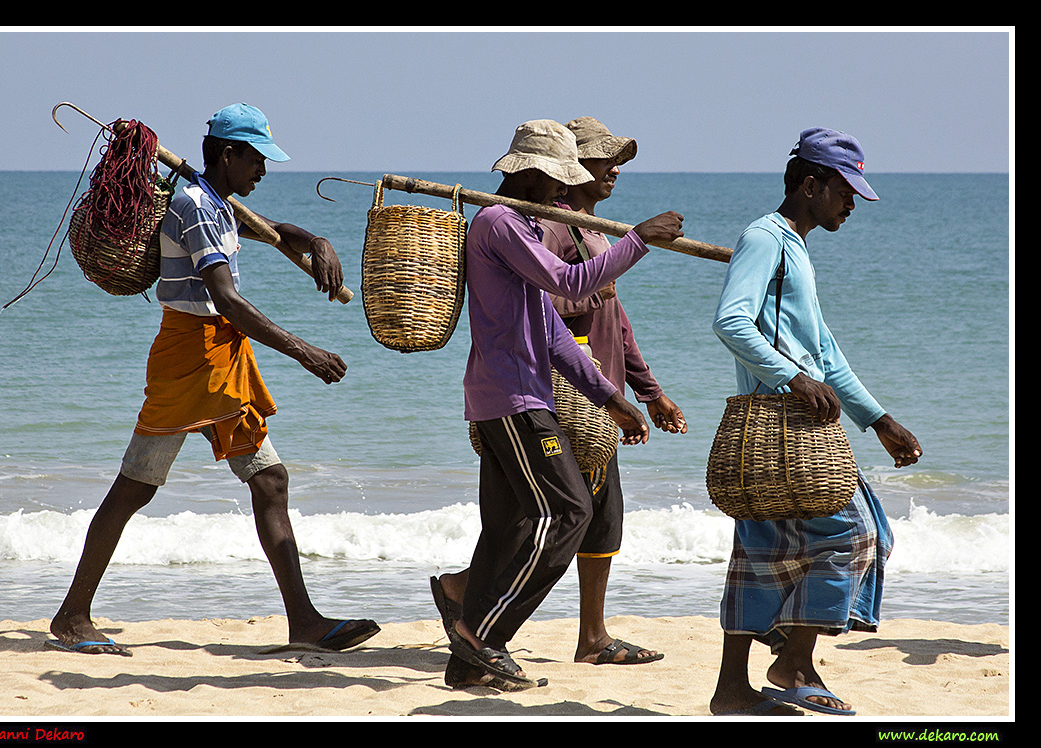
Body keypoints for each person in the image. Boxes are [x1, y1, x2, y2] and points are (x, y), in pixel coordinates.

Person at [47, 103, 379, 656]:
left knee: (270, 482)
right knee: (135, 487)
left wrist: (314, 239)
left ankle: (304, 620)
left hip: (220, 360)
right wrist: (303, 351)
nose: (263, 171)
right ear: (229, 153)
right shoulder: (195, 205)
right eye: (256, 160)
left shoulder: (216, 201)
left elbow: (270, 230)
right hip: (189, 358)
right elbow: (226, 298)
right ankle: (73, 614)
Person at [433, 119, 686, 690]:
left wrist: (613, 399)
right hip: (512, 400)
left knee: (505, 531)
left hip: (514, 396)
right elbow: (570, 283)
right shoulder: (499, 223)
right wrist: (639, 239)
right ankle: (483, 638)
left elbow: (550, 330)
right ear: (530, 174)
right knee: (568, 512)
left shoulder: (519, 226)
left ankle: (466, 669)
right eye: (557, 181)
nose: (561, 194)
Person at [707, 127, 922, 715]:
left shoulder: (794, 247)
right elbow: (731, 321)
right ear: (810, 184)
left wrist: (877, 420)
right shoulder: (764, 239)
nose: (851, 203)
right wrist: (790, 378)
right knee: (857, 535)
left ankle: (731, 692)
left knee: (759, 549)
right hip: (780, 424)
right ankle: (794, 660)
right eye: (844, 190)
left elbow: (824, 352)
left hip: (787, 424)